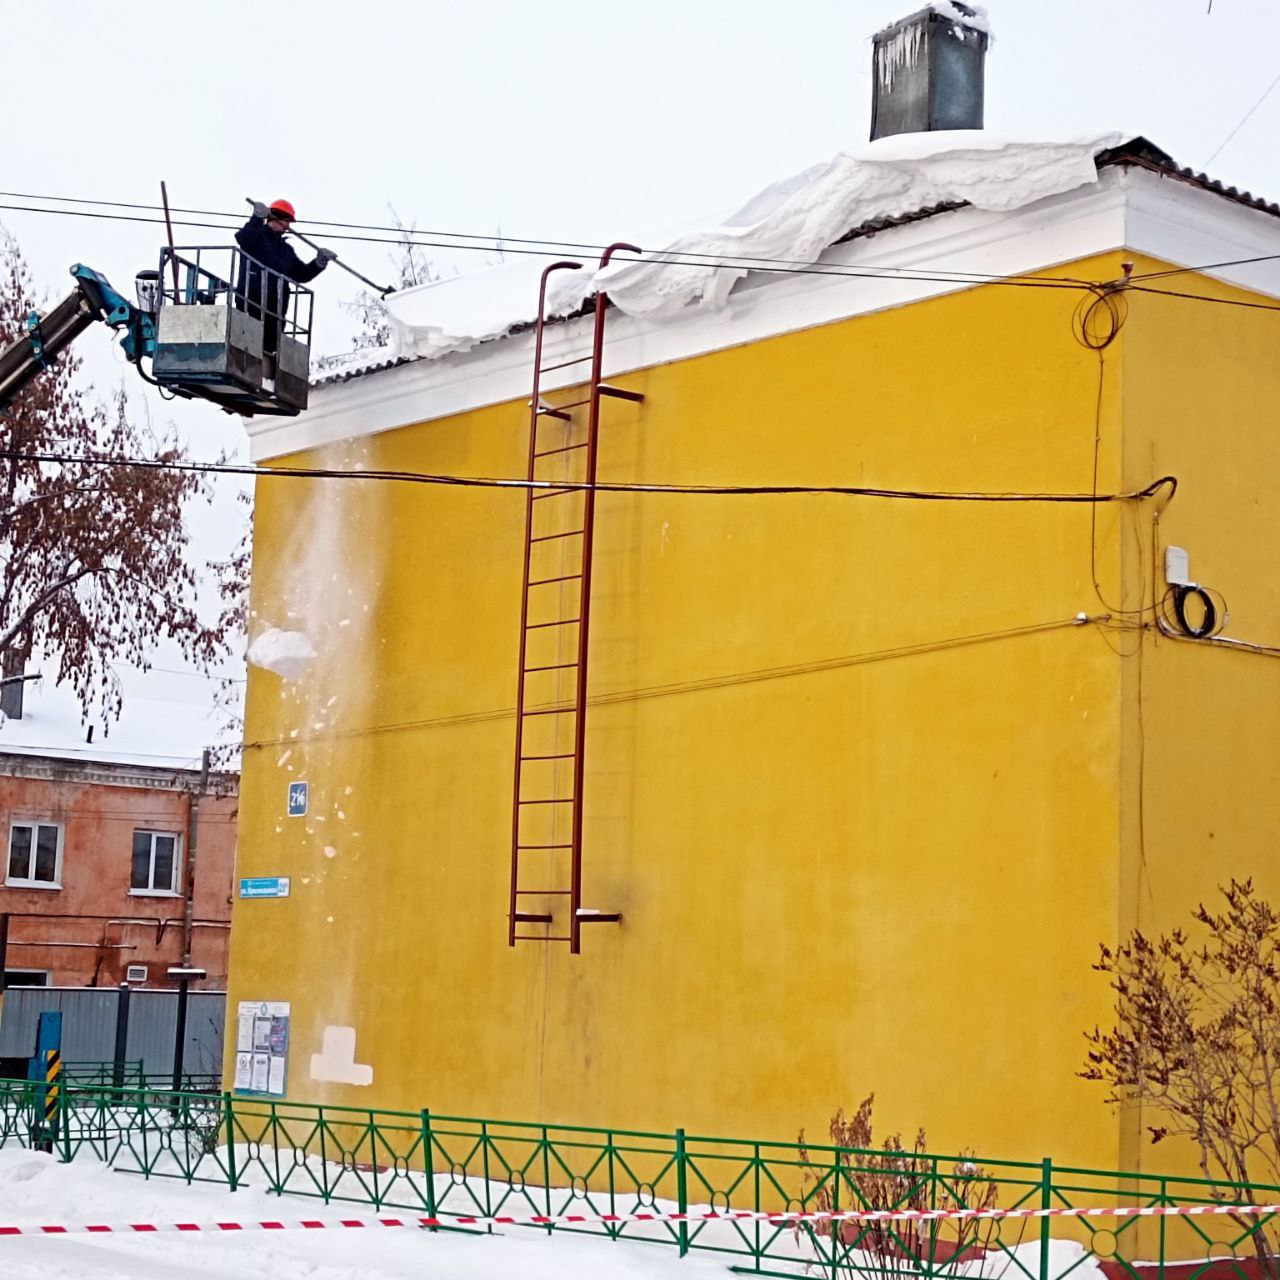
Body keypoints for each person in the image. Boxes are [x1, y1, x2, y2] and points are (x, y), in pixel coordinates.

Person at [235, 199, 336, 358]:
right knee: (249, 337)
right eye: (286, 221)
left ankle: (268, 363)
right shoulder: (257, 235)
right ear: (274, 217)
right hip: (251, 299)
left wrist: (319, 263)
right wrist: (256, 218)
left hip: (276, 305)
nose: (288, 226)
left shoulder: (286, 250)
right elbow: (243, 239)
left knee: (270, 344)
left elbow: (301, 274)